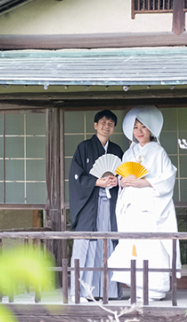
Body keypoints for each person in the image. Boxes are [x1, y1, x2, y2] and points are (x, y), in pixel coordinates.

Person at [108, 106, 179, 300]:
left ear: (151, 130)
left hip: (150, 209)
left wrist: (143, 182)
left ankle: (156, 288)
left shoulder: (159, 152)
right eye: (135, 127)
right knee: (134, 246)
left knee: (152, 246)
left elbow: (167, 180)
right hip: (132, 210)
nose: (139, 132)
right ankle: (138, 287)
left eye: (144, 127)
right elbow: (123, 177)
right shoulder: (128, 154)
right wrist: (123, 182)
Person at [68, 110, 124, 300]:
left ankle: (109, 291)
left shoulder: (116, 150)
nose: (106, 126)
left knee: (108, 244)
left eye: (110, 123)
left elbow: (123, 175)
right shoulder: (83, 148)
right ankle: (82, 292)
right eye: (103, 122)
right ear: (95, 125)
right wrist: (96, 182)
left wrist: (117, 181)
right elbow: (76, 177)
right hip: (90, 205)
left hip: (110, 205)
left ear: (113, 128)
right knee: (86, 244)